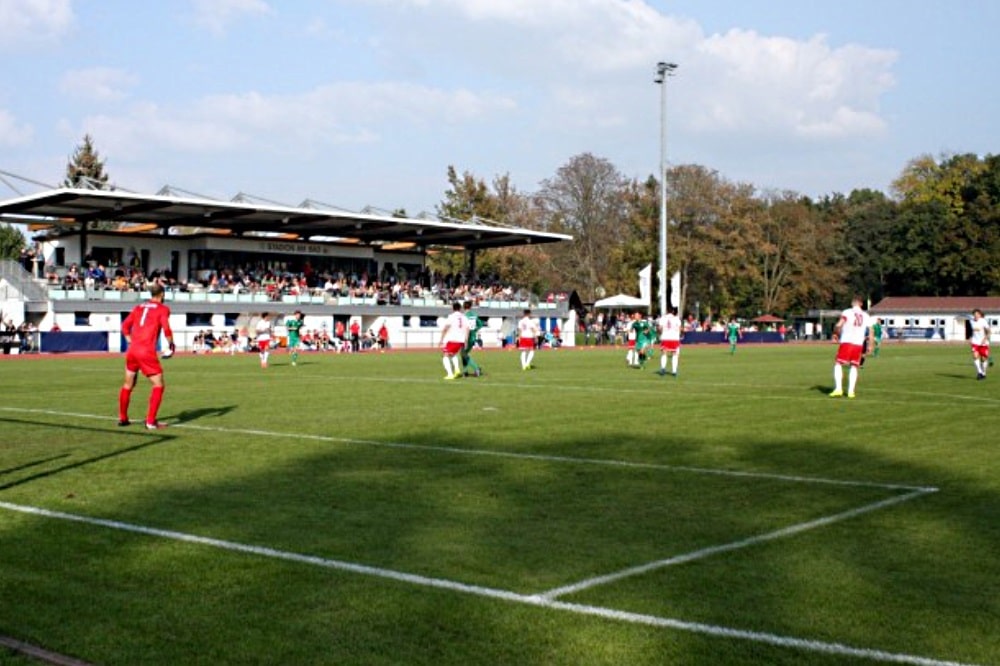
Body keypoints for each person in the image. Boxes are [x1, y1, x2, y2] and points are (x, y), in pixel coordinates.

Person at [118, 282, 175, 429]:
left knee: (128, 384)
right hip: (146, 351)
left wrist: (129, 340)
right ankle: (150, 422)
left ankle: (123, 418)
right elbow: (166, 329)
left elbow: (124, 326)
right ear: (162, 294)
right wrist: (171, 344)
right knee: (158, 385)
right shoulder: (163, 309)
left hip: (132, 351)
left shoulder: (139, 307)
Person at [830, 297, 875, 398]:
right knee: (854, 366)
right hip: (858, 343)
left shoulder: (847, 312)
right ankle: (851, 392)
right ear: (861, 304)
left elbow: (839, 324)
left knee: (838, 363)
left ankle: (838, 389)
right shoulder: (866, 315)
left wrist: (835, 333)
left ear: (852, 303)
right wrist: (870, 345)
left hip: (847, 341)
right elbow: (871, 332)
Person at [439, 302, 469, 380]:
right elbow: (467, 329)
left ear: (453, 308)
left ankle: (450, 374)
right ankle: (457, 370)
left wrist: (441, 339)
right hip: (461, 340)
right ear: (460, 308)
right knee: (453, 354)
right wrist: (466, 340)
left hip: (453, 339)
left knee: (445, 356)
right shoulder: (464, 317)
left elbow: (446, 328)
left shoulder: (451, 316)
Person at [657, 306, 683, 376]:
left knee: (664, 353)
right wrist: (679, 335)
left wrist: (660, 333)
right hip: (674, 338)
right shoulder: (676, 318)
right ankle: (674, 371)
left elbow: (659, 328)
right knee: (675, 354)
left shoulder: (663, 318)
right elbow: (680, 329)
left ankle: (663, 369)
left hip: (665, 337)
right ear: (673, 311)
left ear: (667, 311)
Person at [461, 300, 484, 376]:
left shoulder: (464, 316)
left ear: (464, 307)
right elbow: (480, 324)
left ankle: (476, 368)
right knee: (464, 354)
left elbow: (463, 327)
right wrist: (475, 330)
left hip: (466, 337)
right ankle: (465, 372)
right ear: (470, 307)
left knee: (464, 354)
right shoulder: (474, 315)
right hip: (473, 337)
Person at [969, 308, 991, 380]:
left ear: (980, 315)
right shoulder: (971, 321)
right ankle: (979, 372)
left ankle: (984, 373)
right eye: (975, 314)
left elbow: (989, 331)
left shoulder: (983, 321)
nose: (976, 315)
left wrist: (985, 339)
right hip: (975, 342)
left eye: (978, 314)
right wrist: (970, 338)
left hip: (983, 343)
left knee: (983, 359)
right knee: (975, 356)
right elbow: (972, 331)